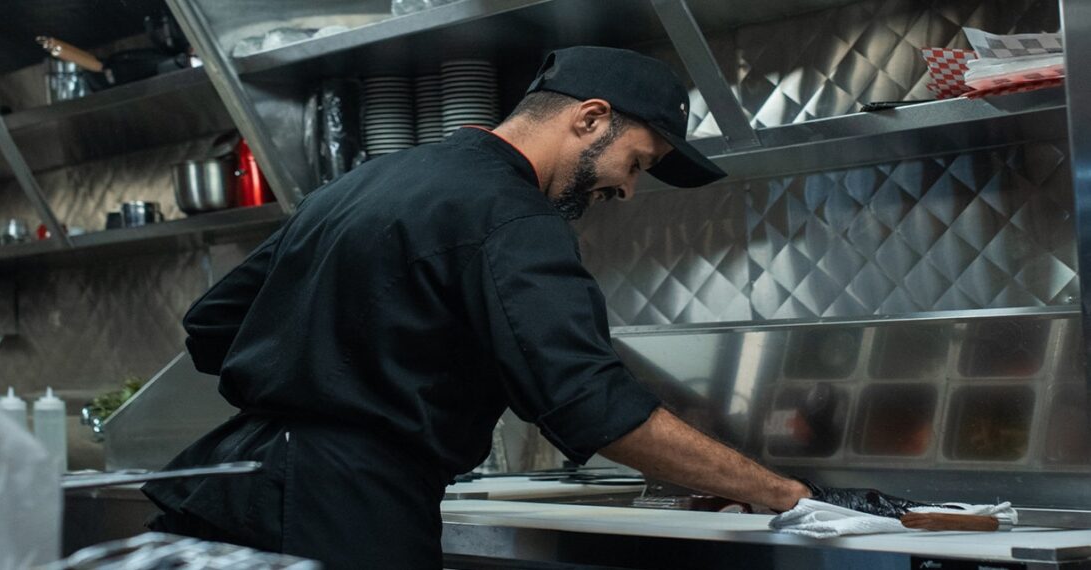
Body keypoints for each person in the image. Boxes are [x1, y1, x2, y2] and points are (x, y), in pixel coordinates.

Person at [143, 46, 899, 568]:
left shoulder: (361, 184)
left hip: (225, 490)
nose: (628, 190)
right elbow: (590, 404)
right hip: (343, 513)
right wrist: (787, 494)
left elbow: (212, 328)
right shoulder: (514, 217)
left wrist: (340, 362)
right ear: (590, 117)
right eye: (636, 163)